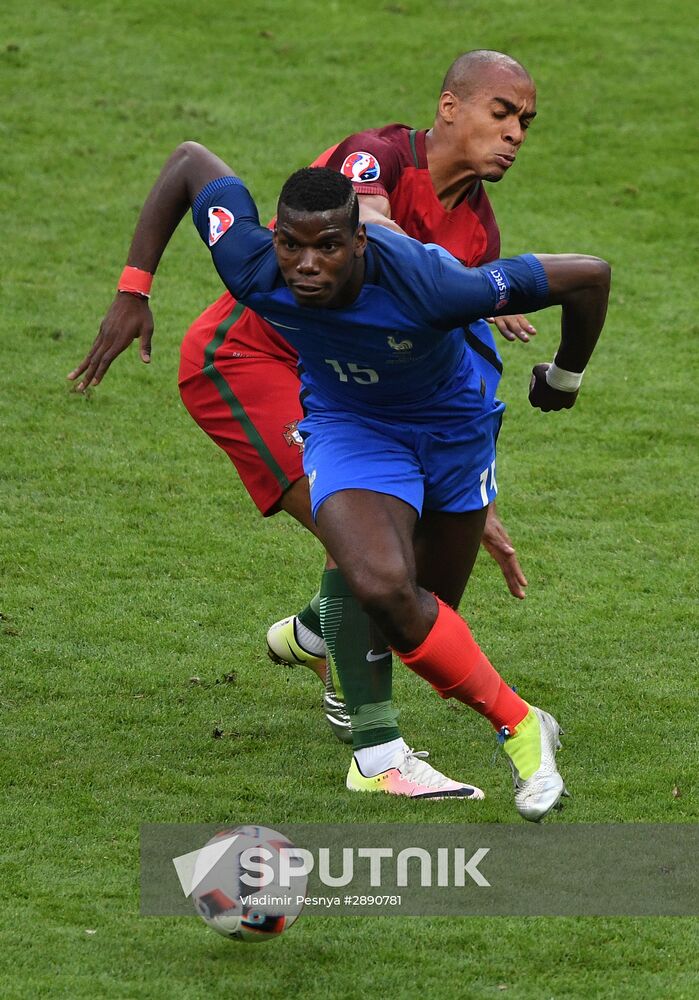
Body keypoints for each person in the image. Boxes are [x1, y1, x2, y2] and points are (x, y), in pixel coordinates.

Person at [72, 139, 610, 820]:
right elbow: (186, 161)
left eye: (326, 246)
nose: (304, 266)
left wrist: (564, 378)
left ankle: (316, 630)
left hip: (450, 425)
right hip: (349, 422)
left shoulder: (435, 284)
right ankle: (518, 726)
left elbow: (589, 276)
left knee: (421, 612)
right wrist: (133, 288)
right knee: (382, 588)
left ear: (359, 240)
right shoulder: (249, 264)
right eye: (290, 246)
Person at [68, 51, 539, 747]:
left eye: (526, 123)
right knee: (364, 540)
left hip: (347, 391)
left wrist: (474, 496)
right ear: (449, 108)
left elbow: (455, 371)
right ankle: (370, 737)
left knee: (392, 553)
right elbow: (375, 230)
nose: (515, 134)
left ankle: (320, 631)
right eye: (501, 113)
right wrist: (134, 286)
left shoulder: (476, 230)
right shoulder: (374, 159)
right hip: (248, 360)